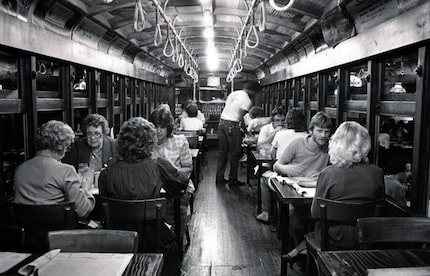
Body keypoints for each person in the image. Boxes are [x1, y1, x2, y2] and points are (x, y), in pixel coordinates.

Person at [98, 117, 188, 276]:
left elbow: (103, 208)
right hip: (154, 239)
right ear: (150, 143)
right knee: (174, 246)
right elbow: (181, 183)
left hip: (118, 240)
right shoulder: (157, 165)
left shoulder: (106, 174)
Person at [310, 121, 385, 250]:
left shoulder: (327, 173)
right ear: (365, 144)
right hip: (367, 237)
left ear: (336, 144)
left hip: (332, 239)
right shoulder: (377, 172)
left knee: (310, 228)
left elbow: (315, 212)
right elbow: (380, 209)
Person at [14, 120, 95, 218]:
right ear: (62, 147)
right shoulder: (66, 171)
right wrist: (85, 189)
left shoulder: (20, 170)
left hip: (27, 230)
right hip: (60, 231)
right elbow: (83, 211)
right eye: (67, 147)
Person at [256, 109, 309, 222]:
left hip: (284, 176)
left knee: (264, 178)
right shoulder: (308, 136)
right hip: (306, 176)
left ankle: (266, 212)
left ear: (287, 122)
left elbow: (273, 156)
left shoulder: (280, 134)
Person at [149, 106, 194, 236]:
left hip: (176, 186)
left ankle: (173, 239)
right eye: (155, 127)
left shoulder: (180, 141)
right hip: (153, 188)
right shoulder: (146, 143)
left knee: (173, 206)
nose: (158, 131)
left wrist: (172, 175)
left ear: (168, 127)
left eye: (162, 127)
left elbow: (188, 168)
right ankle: (157, 239)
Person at [216, 80, 262, 186]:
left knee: (222, 153)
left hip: (222, 122)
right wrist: (247, 132)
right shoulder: (246, 100)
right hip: (232, 125)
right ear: (253, 91)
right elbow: (241, 118)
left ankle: (219, 178)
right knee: (234, 154)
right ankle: (232, 180)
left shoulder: (234, 93)